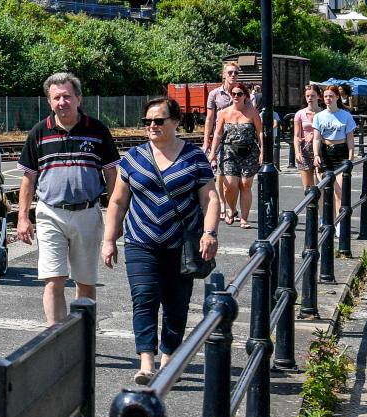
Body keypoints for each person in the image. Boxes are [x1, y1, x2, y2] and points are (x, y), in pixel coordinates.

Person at [102, 97, 219, 384]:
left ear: (175, 122)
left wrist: (210, 232)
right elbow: (117, 201)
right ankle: (146, 362)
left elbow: (210, 197)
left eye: (158, 120)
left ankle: (170, 357)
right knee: (144, 299)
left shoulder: (193, 157)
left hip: (181, 244)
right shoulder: (133, 157)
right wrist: (108, 240)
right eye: (147, 122)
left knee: (176, 303)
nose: (152, 126)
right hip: (140, 241)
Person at [16, 72, 119, 325]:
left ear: (78, 98)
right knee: (54, 279)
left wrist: (117, 217)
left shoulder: (97, 130)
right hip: (50, 213)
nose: (62, 102)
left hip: (87, 212)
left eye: (67, 96)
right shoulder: (39, 133)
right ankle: (56, 338)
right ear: (49, 102)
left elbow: (112, 175)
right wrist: (22, 217)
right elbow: (28, 179)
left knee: (85, 281)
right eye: (56, 98)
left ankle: (84, 340)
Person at [215, 83, 265, 228]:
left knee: (245, 185)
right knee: (230, 185)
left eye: (239, 94)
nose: (236, 96)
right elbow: (218, 134)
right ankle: (231, 209)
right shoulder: (224, 113)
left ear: (245, 96)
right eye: (234, 94)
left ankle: (244, 218)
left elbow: (260, 132)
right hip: (229, 151)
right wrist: (212, 152)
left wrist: (263, 150)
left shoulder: (253, 112)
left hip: (249, 152)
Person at [313, 84, 356, 220]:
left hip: (340, 151)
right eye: (326, 97)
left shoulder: (346, 116)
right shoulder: (319, 116)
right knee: (325, 190)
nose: (328, 99)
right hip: (325, 152)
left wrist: (350, 156)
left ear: (337, 97)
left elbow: (350, 139)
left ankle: (338, 223)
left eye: (331, 96)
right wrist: (316, 155)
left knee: (339, 191)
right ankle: (326, 220)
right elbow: (316, 138)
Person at [294, 84, 323, 191]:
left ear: (319, 97)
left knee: (322, 185)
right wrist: (297, 152)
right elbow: (296, 135)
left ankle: (323, 208)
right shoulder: (300, 114)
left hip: (321, 149)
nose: (310, 98)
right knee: (308, 187)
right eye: (307, 96)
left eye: (313, 96)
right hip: (305, 150)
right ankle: (311, 208)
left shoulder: (323, 113)